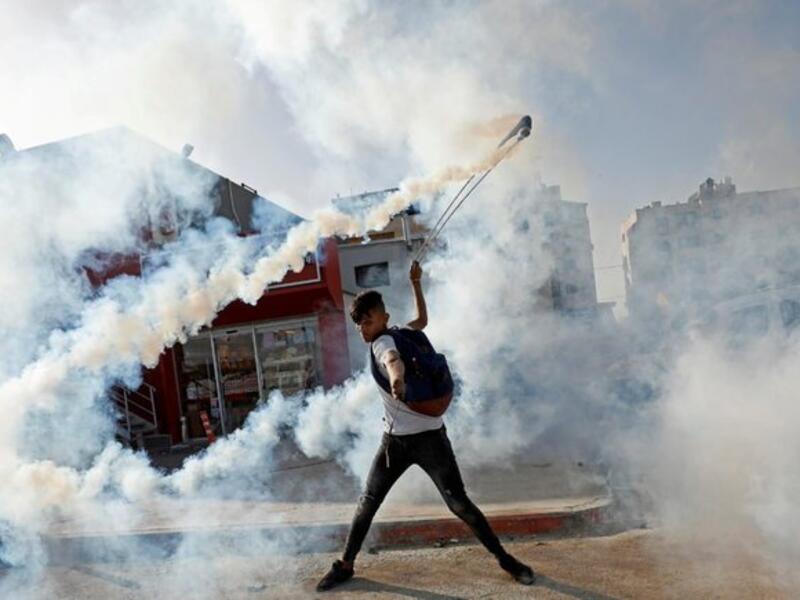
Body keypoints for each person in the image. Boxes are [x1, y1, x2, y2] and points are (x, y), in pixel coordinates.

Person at [317, 261, 535, 591]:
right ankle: (345, 564)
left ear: (384, 318)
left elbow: (393, 361)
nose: (364, 329)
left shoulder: (386, 343)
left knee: (457, 503)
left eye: (369, 320)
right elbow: (422, 321)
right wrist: (416, 284)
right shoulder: (401, 333)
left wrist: (397, 379)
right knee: (372, 501)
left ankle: (506, 559)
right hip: (399, 442)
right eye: (359, 324)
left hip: (425, 440)